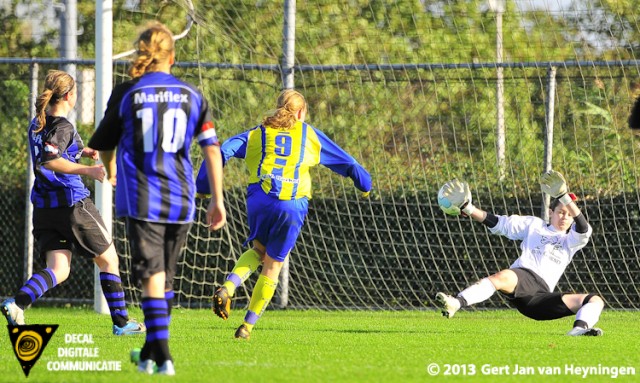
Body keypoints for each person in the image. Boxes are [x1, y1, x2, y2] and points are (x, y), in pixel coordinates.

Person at [88, 23, 226, 375]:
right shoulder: (192, 95)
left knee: (152, 274)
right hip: (183, 197)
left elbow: (103, 142)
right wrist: (217, 199)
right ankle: (150, 353)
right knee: (164, 277)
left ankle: (163, 355)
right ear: (172, 57)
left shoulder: (129, 93)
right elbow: (212, 150)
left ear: (141, 54)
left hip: (143, 196)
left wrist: (112, 166)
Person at [195, 89, 372, 340]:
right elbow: (349, 163)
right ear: (301, 112)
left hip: (260, 199)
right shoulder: (309, 134)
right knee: (274, 262)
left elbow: (223, 150)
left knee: (258, 250)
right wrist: (365, 184)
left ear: (278, 107)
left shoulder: (257, 133)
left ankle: (229, 286)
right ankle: (247, 327)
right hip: (293, 204)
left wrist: (203, 187)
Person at [1, 70, 145, 337]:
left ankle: (16, 303)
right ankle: (121, 323)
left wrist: (85, 151)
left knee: (59, 269)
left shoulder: (37, 123)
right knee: (110, 260)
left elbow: (56, 149)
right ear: (69, 95)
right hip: (72, 206)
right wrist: (88, 170)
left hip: (44, 209)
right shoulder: (63, 126)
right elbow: (50, 159)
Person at [434, 170, 605, 336]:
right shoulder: (534, 225)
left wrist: (564, 197)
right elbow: (500, 224)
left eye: (569, 214)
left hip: (541, 299)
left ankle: (578, 330)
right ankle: (455, 302)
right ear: (551, 213)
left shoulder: (570, 241)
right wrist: (469, 208)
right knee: (502, 277)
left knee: (595, 300)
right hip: (523, 277)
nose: (564, 217)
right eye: (561, 212)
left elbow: (583, 228)